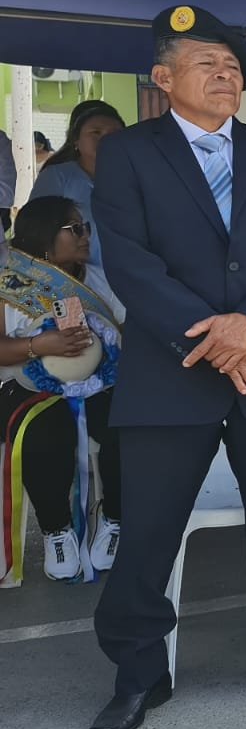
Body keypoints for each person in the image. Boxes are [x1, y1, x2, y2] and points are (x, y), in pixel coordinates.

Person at [89, 5, 246, 729]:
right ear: (163, 79)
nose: (225, 73)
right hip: (174, 371)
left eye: (231, 65)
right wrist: (217, 338)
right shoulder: (131, 154)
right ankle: (138, 674)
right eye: (206, 63)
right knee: (151, 530)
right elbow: (132, 263)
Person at [0, 197, 124, 580]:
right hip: (27, 384)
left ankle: (115, 518)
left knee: (128, 424)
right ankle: (57, 530)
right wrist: (42, 346)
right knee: (43, 433)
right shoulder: (9, 284)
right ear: (43, 234)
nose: (85, 235)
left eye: (85, 227)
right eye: (74, 228)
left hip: (99, 384)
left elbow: (126, 333)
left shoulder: (101, 278)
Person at [31, 99, 126, 272]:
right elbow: (37, 232)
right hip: (71, 281)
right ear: (76, 140)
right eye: (96, 132)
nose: (105, 139)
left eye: (114, 133)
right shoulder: (57, 176)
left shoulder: (136, 179)